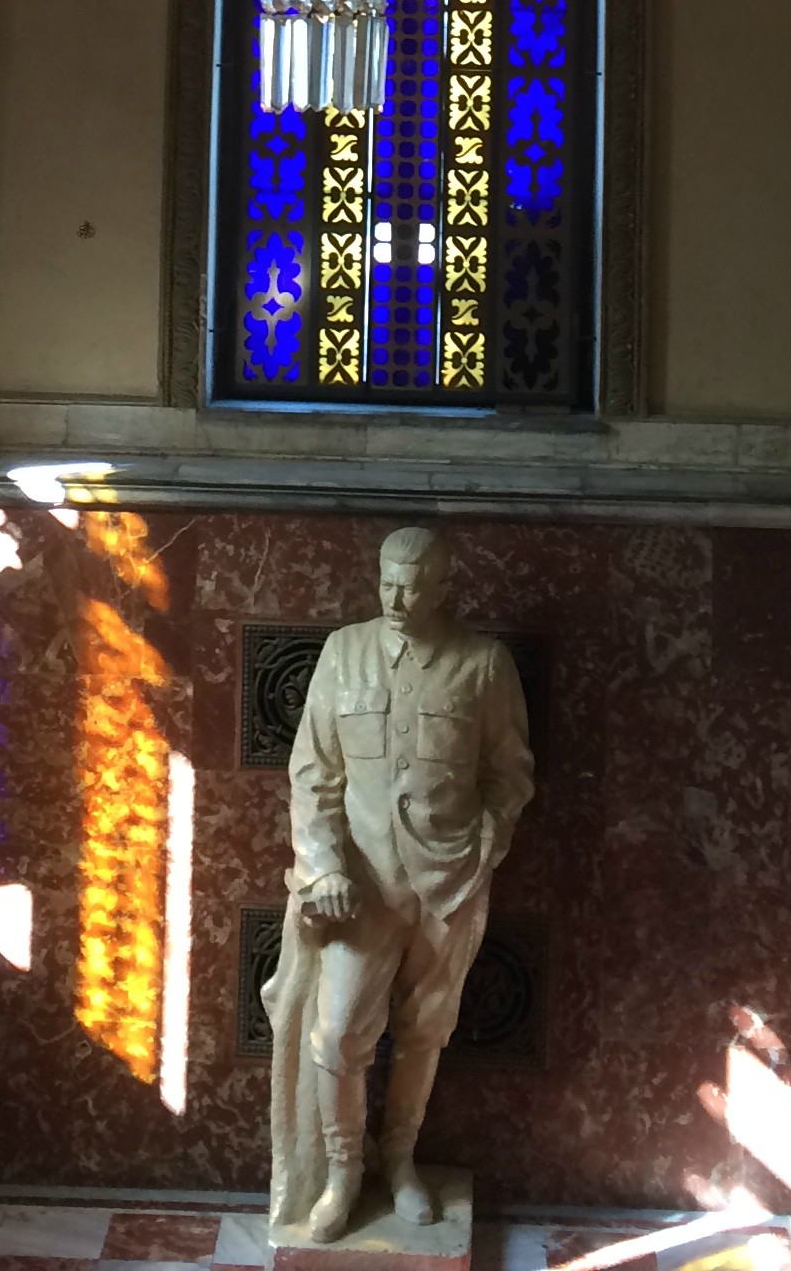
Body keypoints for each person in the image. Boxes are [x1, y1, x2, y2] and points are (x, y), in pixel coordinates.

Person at [262, 526, 535, 1242]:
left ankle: (400, 1161)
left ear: (445, 589)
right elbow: (312, 773)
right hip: (361, 887)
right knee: (338, 1033)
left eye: (412, 587)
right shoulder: (343, 652)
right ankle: (342, 1175)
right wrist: (323, 864)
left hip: (450, 883)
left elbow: (510, 774)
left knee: (425, 1031)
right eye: (386, 582)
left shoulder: (484, 664)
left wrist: (485, 845)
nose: (395, 598)